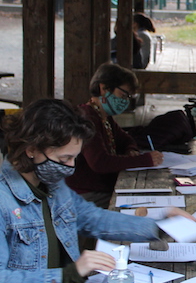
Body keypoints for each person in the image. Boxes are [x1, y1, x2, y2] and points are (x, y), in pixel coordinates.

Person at [0, 99, 192, 283]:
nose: (70, 166)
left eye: (74, 157)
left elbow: (93, 218)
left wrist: (160, 226)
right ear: (31, 150)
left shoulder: (51, 187)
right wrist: (70, 273)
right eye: (64, 158)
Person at [65, 63, 164, 207]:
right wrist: (144, 160)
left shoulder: (104, 117)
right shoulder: (87, 118)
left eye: (128, 97)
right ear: (104, 88)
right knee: (145, 204)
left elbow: (126, 139)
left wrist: (131, 150)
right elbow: (100, 162)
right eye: (123, 95)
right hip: (85, 195)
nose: (125, 101)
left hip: (101, 188)